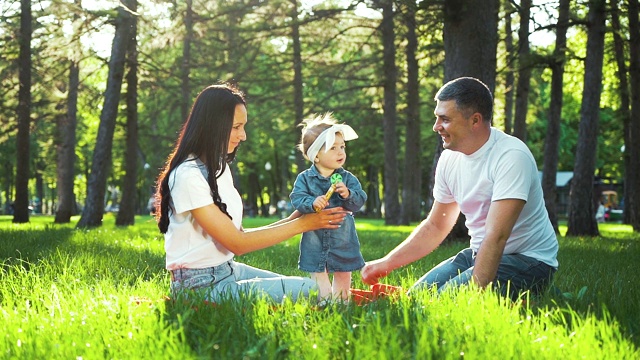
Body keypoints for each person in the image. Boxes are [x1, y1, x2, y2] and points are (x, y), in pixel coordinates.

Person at [361, 77, 559, 300]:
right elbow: (436, 225)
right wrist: (386, 263)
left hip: (528, 261)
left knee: (440, 303)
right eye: (437, 118)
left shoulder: (511, 156)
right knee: (416, 298)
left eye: (444, 119)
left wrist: (471, 297)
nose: (436, 127)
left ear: (475, 120)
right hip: (477, 254)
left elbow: (497, 235)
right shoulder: (449, 159)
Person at [154, 84, 348, 304]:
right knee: (314, 291)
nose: (243, 136)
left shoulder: (217, 167)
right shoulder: (188, 176)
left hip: (227, 271)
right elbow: (237, 243)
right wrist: (304, 225)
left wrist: (297, 217)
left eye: (243, 126)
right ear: (213, 125)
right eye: (236, 127)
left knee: (312, 290)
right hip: (199, 286)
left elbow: (239, 233)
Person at [290, 113, 367, 302]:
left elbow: (359, 201)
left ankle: (342, 302)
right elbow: (297, 198)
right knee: (318, 270)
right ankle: (324, 300)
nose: (341, 152)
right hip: (314, 237)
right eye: (333, 148)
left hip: (342, 236)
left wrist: (348, 194)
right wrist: (311, 203)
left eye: (342, 147)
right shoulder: (305, 179)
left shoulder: (347, 178)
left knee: (343, 271)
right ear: (316, 155)